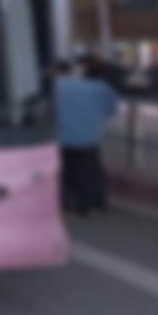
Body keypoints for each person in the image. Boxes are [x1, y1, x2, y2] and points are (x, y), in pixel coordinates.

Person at [56, 57, 119, 213]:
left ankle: (70, 203)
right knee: (91, 170)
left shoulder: (57, 86)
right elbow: (111, 111)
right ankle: (95, 202)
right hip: (89, 137)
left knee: (66, 171)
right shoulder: (103, 88)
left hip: (62, 137)